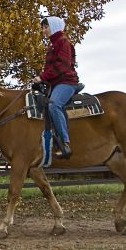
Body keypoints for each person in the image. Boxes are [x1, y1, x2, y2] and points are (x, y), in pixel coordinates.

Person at [32, 16, 79, 158]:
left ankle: (64, 142)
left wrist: (42, 77)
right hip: (55, 83)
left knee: (54, 105)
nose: (43, 31)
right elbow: (50, 69)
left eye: (46, 27)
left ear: (55, 27)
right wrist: (40, 80)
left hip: (66, 82)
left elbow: (62, 66)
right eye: (43, 28)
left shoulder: (63, 42)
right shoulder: (53, 45)